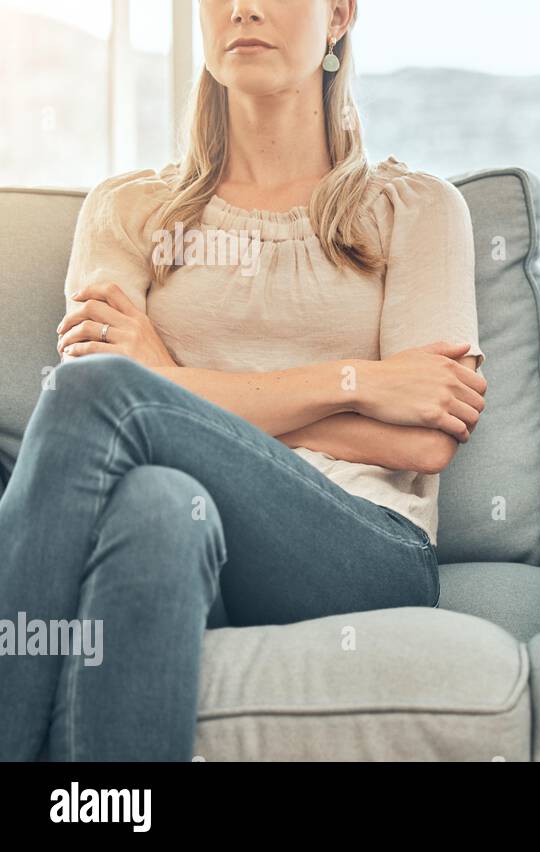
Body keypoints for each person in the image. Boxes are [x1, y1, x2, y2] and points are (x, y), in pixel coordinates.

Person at [0, 0, 486, 761]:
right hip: (196, 528)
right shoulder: (129, 212)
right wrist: (357, 382)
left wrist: (166, 380)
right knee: (159, 505)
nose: (244, 8)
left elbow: (423, 443)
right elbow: (111, 417)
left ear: (338, 16)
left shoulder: (415, 210)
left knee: (100, 397)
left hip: (359, 543)